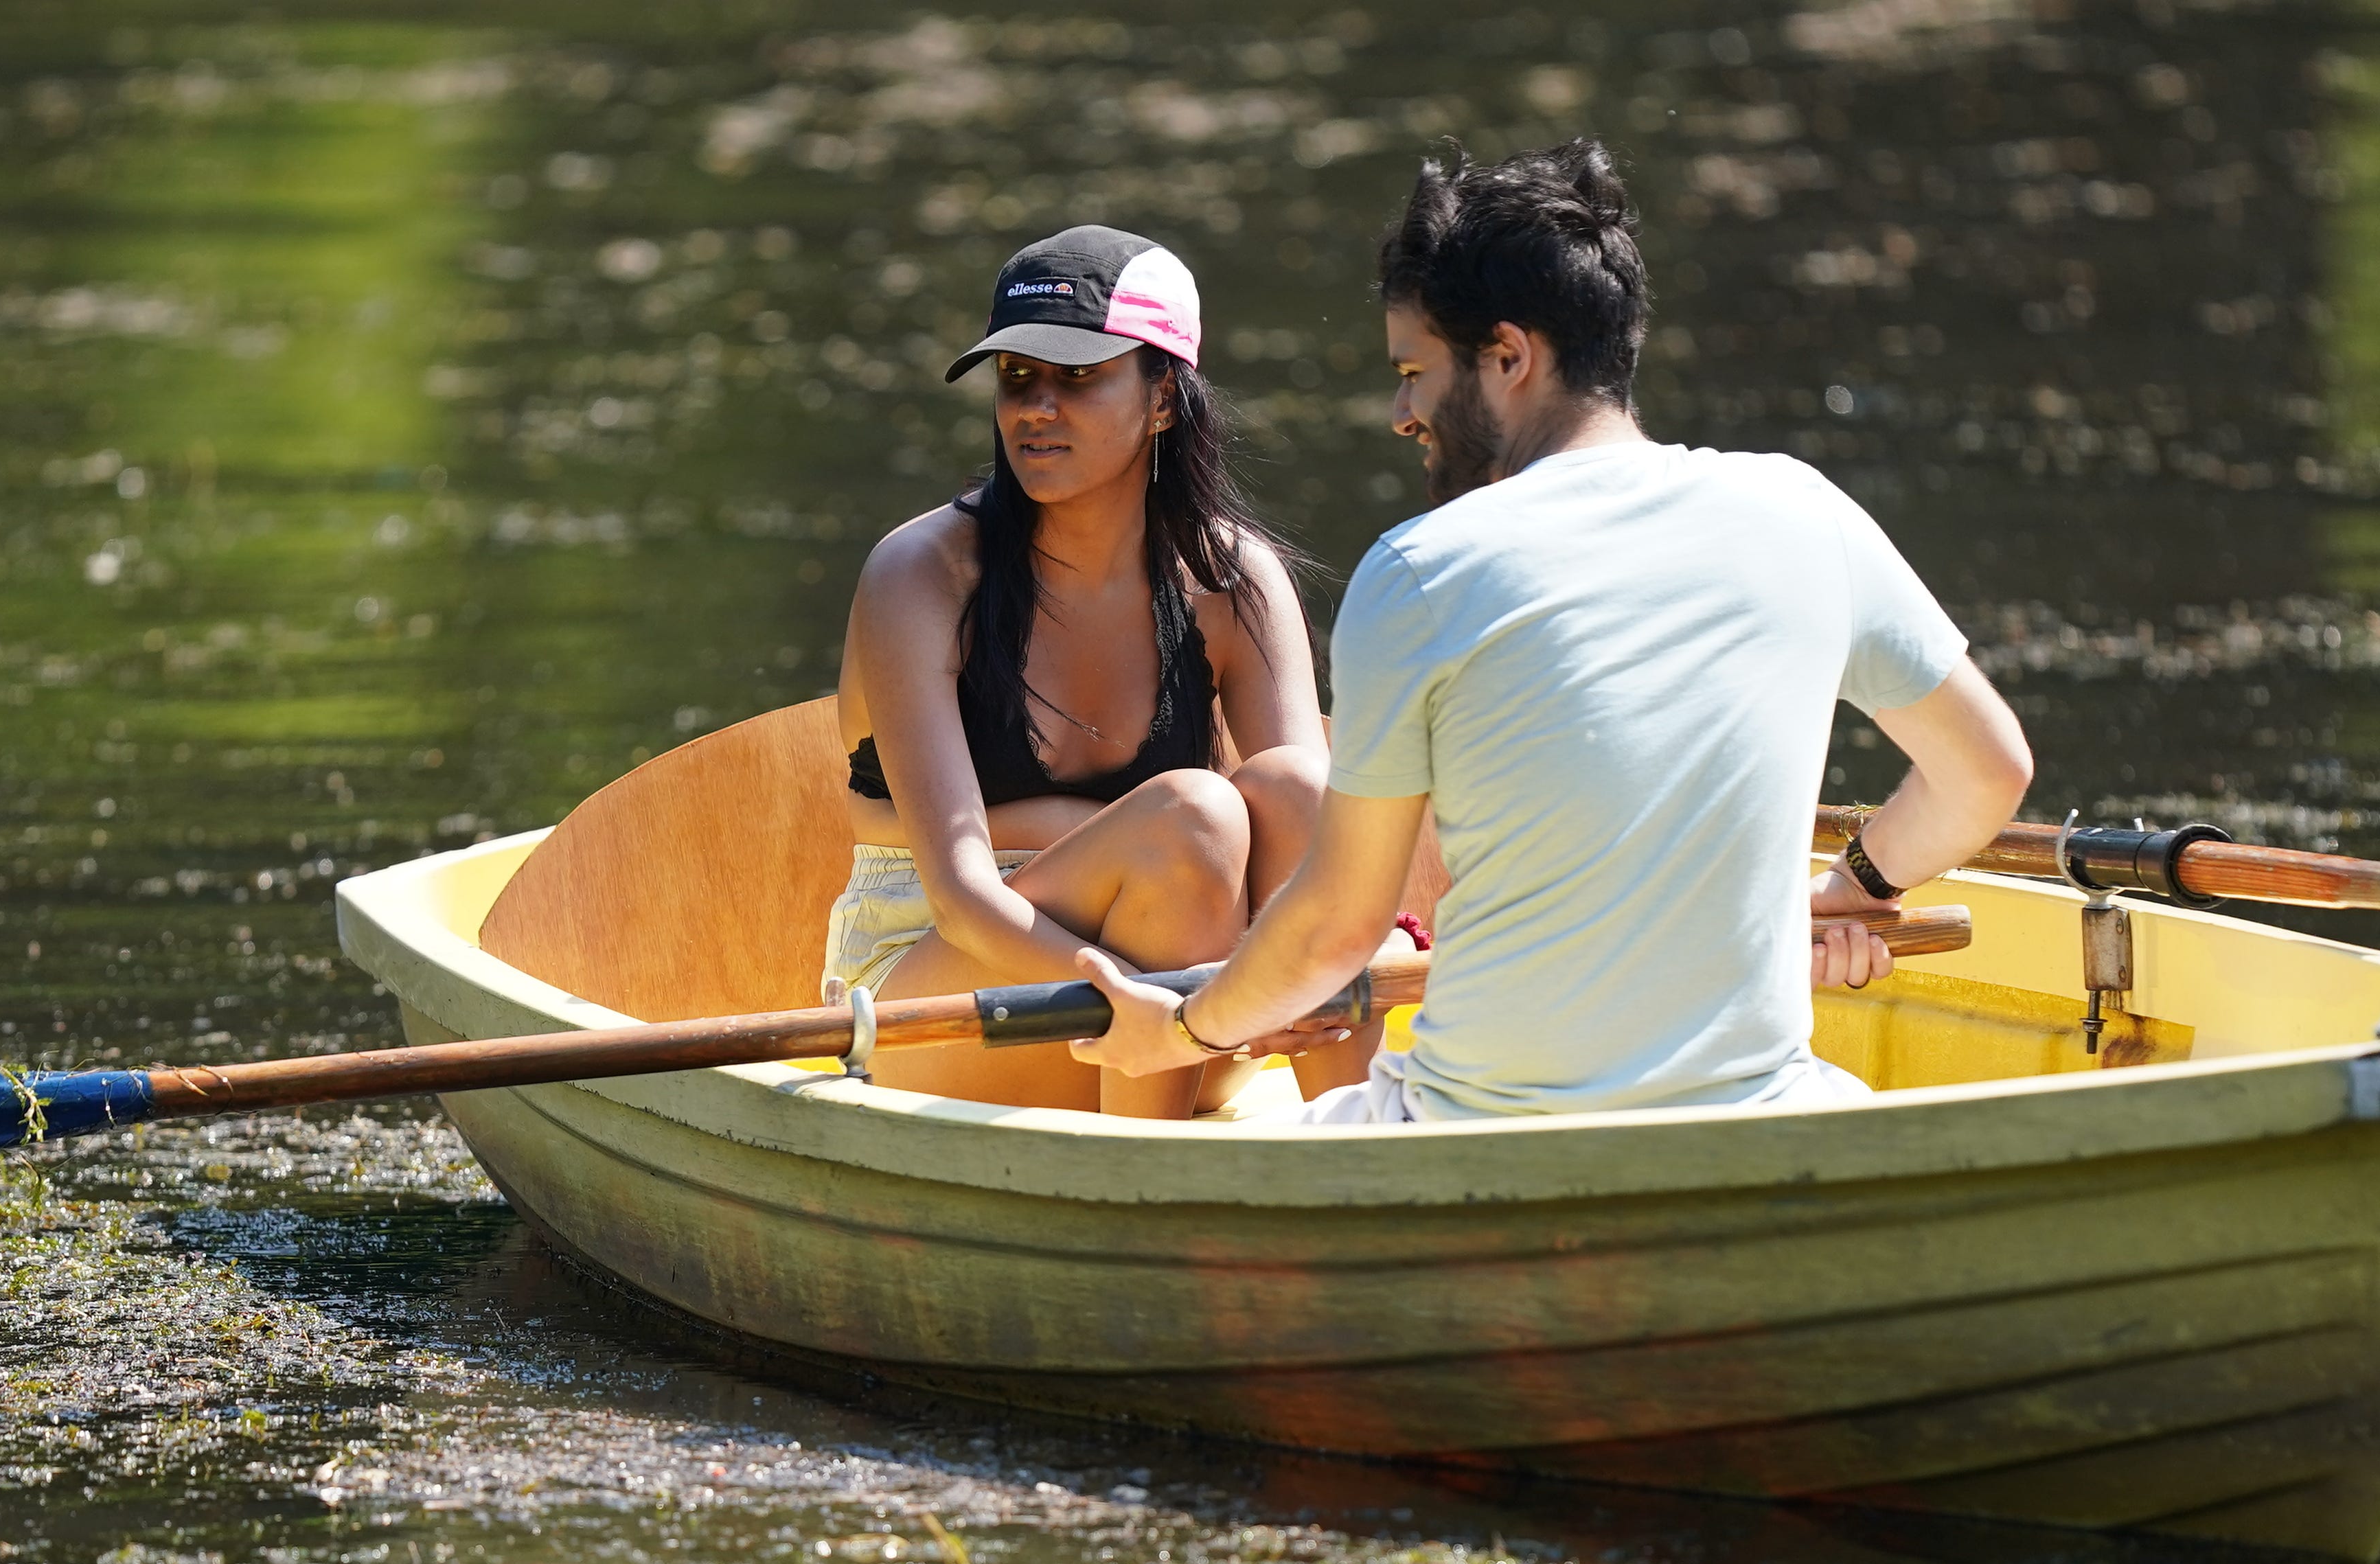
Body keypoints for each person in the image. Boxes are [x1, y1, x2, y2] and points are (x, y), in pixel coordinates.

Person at [1074, 141, 2037, 1125]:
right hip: (1752, 1117)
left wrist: (1184, 1030)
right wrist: (1854, 886)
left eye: (1415, 371)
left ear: (1509, 357)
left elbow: (1337, 927)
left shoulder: (1423, 569)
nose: (1404, 412)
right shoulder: (1807, 509)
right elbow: (1988, 772)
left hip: (1479, 1129)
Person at [830, 225, 1331, 1118]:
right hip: (944, 993)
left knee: (1296, 786)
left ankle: (1362, 1143)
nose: (1035, 407)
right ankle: (1141, 1193)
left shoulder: (1232, 580)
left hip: (1189, 999)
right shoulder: (921, 575)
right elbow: (960, 896)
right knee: (1193, 816)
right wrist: (1155, 1009)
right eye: (1017, 377)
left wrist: (1242, 994)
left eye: (1077, 376)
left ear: (1166, 397)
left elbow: (1311, 847)